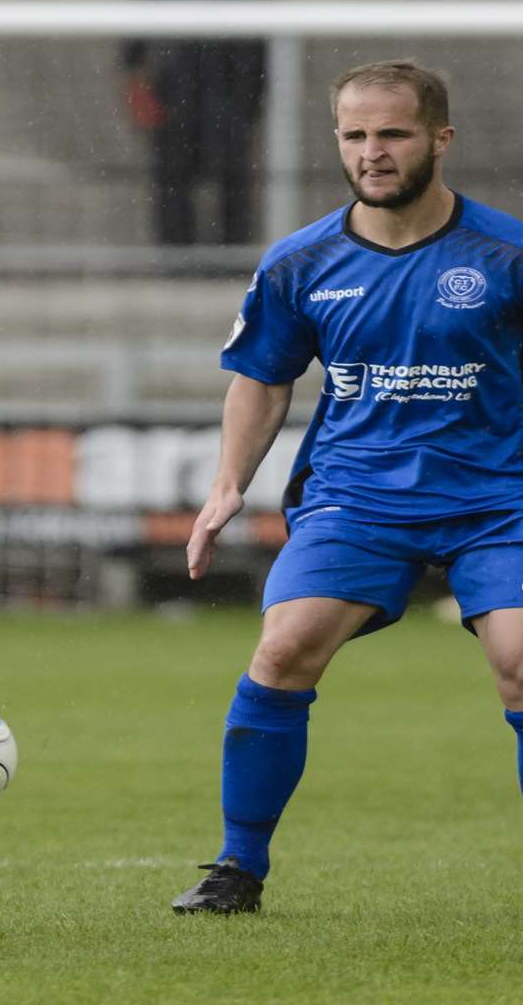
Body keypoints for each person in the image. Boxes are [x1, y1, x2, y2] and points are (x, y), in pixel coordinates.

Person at [176, 59, 523, 914]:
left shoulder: (507, 255)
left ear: (439, 139)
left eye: (393, 133)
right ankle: (236, 868)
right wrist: (228, 486)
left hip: (501, 497)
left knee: (521, 661)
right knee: (284, 649)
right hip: (358, 495)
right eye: (356, 135)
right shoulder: (302, 260)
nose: (373, 152)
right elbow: (261, 378)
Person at [121, 0, 281, 247]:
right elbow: (133, 39)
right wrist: (136, 86)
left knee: (231, 176)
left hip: (234, 90)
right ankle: (176, 257)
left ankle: (232, 254)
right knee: (172, 177)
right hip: (176, 90)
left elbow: (265, 22)